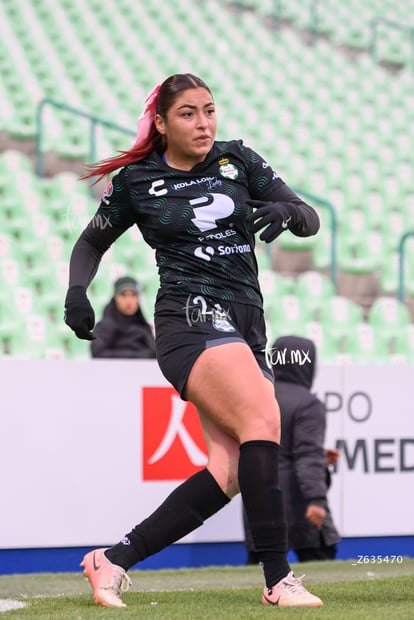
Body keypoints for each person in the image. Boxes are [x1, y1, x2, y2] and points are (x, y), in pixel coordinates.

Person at [64, 73, 322, 609]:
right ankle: (278, 578)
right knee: (263, 420)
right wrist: (77, 293)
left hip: (248, 324)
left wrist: (285, 212)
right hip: (190, 317)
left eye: (209, 110)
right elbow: (91, 242)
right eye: (188, 113)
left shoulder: (237, 159)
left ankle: (111, 561)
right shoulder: (139, 181)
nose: (203, 123)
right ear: (161, 122)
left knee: (229, 471)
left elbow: (309, 219)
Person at [244, 336, 340, 564]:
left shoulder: (257, 397)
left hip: (258, 495)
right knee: (322, 565)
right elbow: (307, 456)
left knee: (260, 570)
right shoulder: (307, 403)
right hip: (297, 502)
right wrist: (316, 499)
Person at [90, 275, 156, 359]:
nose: (129, 301)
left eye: (133, 295)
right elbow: (98, 353)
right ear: (115, 298)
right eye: (124, 295)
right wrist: (139, 356)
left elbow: (155, 355)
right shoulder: (105, 326)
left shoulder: (144, 327)